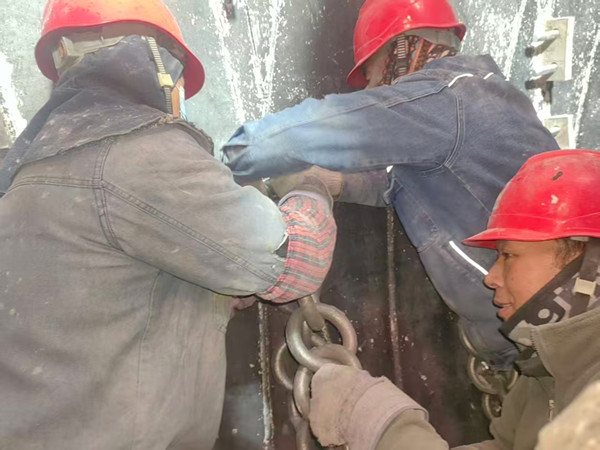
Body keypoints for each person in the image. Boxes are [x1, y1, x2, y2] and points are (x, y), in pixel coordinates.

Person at [0, 0, 338, 448]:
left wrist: (213, 290)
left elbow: (108, 291)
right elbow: (298, 259)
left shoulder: (24, 176)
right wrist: (312, 187)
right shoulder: (142, 155)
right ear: (157, 63)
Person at [222, 0, 560, 370]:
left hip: (551, 347)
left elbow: (281, 140)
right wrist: (333, 182)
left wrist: (232, 159)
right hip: (541, 339)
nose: (371, 87)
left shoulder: (441, 99)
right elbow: (412, 183)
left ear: (397, 51)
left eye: (370, 74)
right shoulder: (483, 98)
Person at [306, 149, 600, 450]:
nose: (491, 277)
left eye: (510, 255)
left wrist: (388, 427)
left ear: (592, 268)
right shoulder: (543, 375)